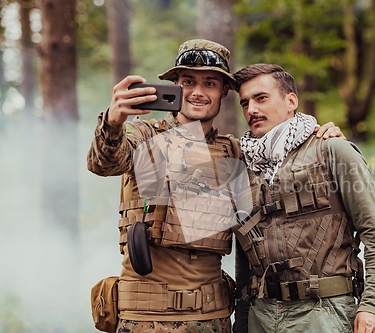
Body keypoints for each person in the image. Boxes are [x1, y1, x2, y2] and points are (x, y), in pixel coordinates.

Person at [87, 39, 343, 333]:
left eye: (209, 83)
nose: (197, 92)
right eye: (188, 81)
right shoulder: (142, 135)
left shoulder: (236, 153)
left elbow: (284, 170)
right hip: (146, 319)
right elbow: (103, 163)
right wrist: (112, 121)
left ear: (224, 91)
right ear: (175, 85)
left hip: (213, 319)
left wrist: (323, 136)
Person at [231, 64, 375, 333]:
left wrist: (372, 306)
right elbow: (245, 256)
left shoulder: (332, 150)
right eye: (245, 103)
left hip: (324, 313)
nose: (252, 110)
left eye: (261, 98)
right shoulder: (244, 166)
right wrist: (243, 319)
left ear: (290, 101)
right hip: (261, 315)